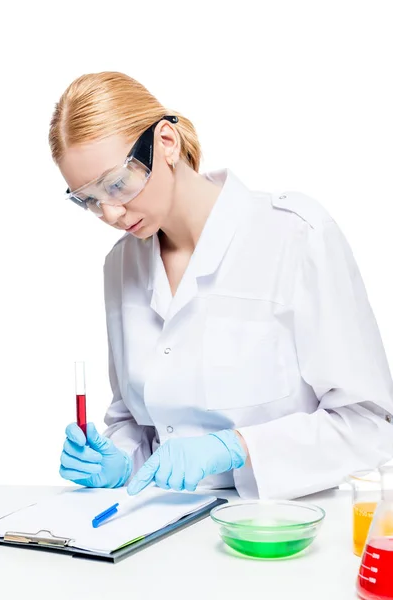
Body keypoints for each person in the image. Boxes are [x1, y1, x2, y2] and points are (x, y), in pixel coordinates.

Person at [51, 71, 393, 499]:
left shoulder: (294, 236)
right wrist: (119, 461)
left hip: (279, 531)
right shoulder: (120, 265)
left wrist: (238, 448)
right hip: (160, 527)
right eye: (89, 200)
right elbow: (136, 425)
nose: (112, 214)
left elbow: (368, 425)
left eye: (117, 184)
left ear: (167, 144)